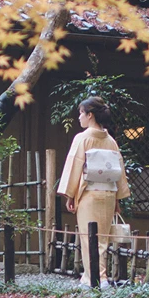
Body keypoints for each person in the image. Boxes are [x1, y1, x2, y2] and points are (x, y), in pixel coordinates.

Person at [57, 96, 129, 286]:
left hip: (89, 193)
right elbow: (117, 172)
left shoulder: (82, 139)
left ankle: (99, 279)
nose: (79, 117)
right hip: (108, 194)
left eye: (81, 113)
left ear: (90, 115)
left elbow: (75, 166)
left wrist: (70, 194)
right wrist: (117, 201)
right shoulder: (111, 141)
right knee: (102, 239)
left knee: (89, 239)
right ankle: (91, 278)